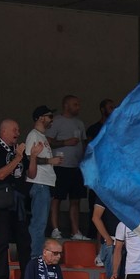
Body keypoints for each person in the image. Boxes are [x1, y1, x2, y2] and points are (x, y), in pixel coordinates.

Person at [0, 119, 34, 279]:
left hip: (19, 201)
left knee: (24, 242)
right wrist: (18, 157)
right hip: (2, 200)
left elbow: (30, 174)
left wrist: (33, 156)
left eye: (18, 130)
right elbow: (0, 174)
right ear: (3, 131)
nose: (18, 133)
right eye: (15, 130)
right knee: (2, 241)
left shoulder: (18, 151)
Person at [46, 95, 90, 240]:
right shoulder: (56, 121)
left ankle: (75, 231)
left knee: (76, 199)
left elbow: (84, 143)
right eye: (75, 104)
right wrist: (65, 142)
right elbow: (48, 141)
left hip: (76, 167)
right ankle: (55, 229)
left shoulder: (79, 123)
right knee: (57, 198)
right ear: (66, 105)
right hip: (60, 166)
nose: (78, 107)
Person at [24, 106, 62, 258]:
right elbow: (29, 157)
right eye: (50, 116)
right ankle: (35, 256)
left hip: (44, 183)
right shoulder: (33, 135)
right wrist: (50, 161)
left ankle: (36, 255)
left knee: (40, 222)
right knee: (38, 223)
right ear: (40, 118)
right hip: (39, 183)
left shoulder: (42, 136)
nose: (52, 120)